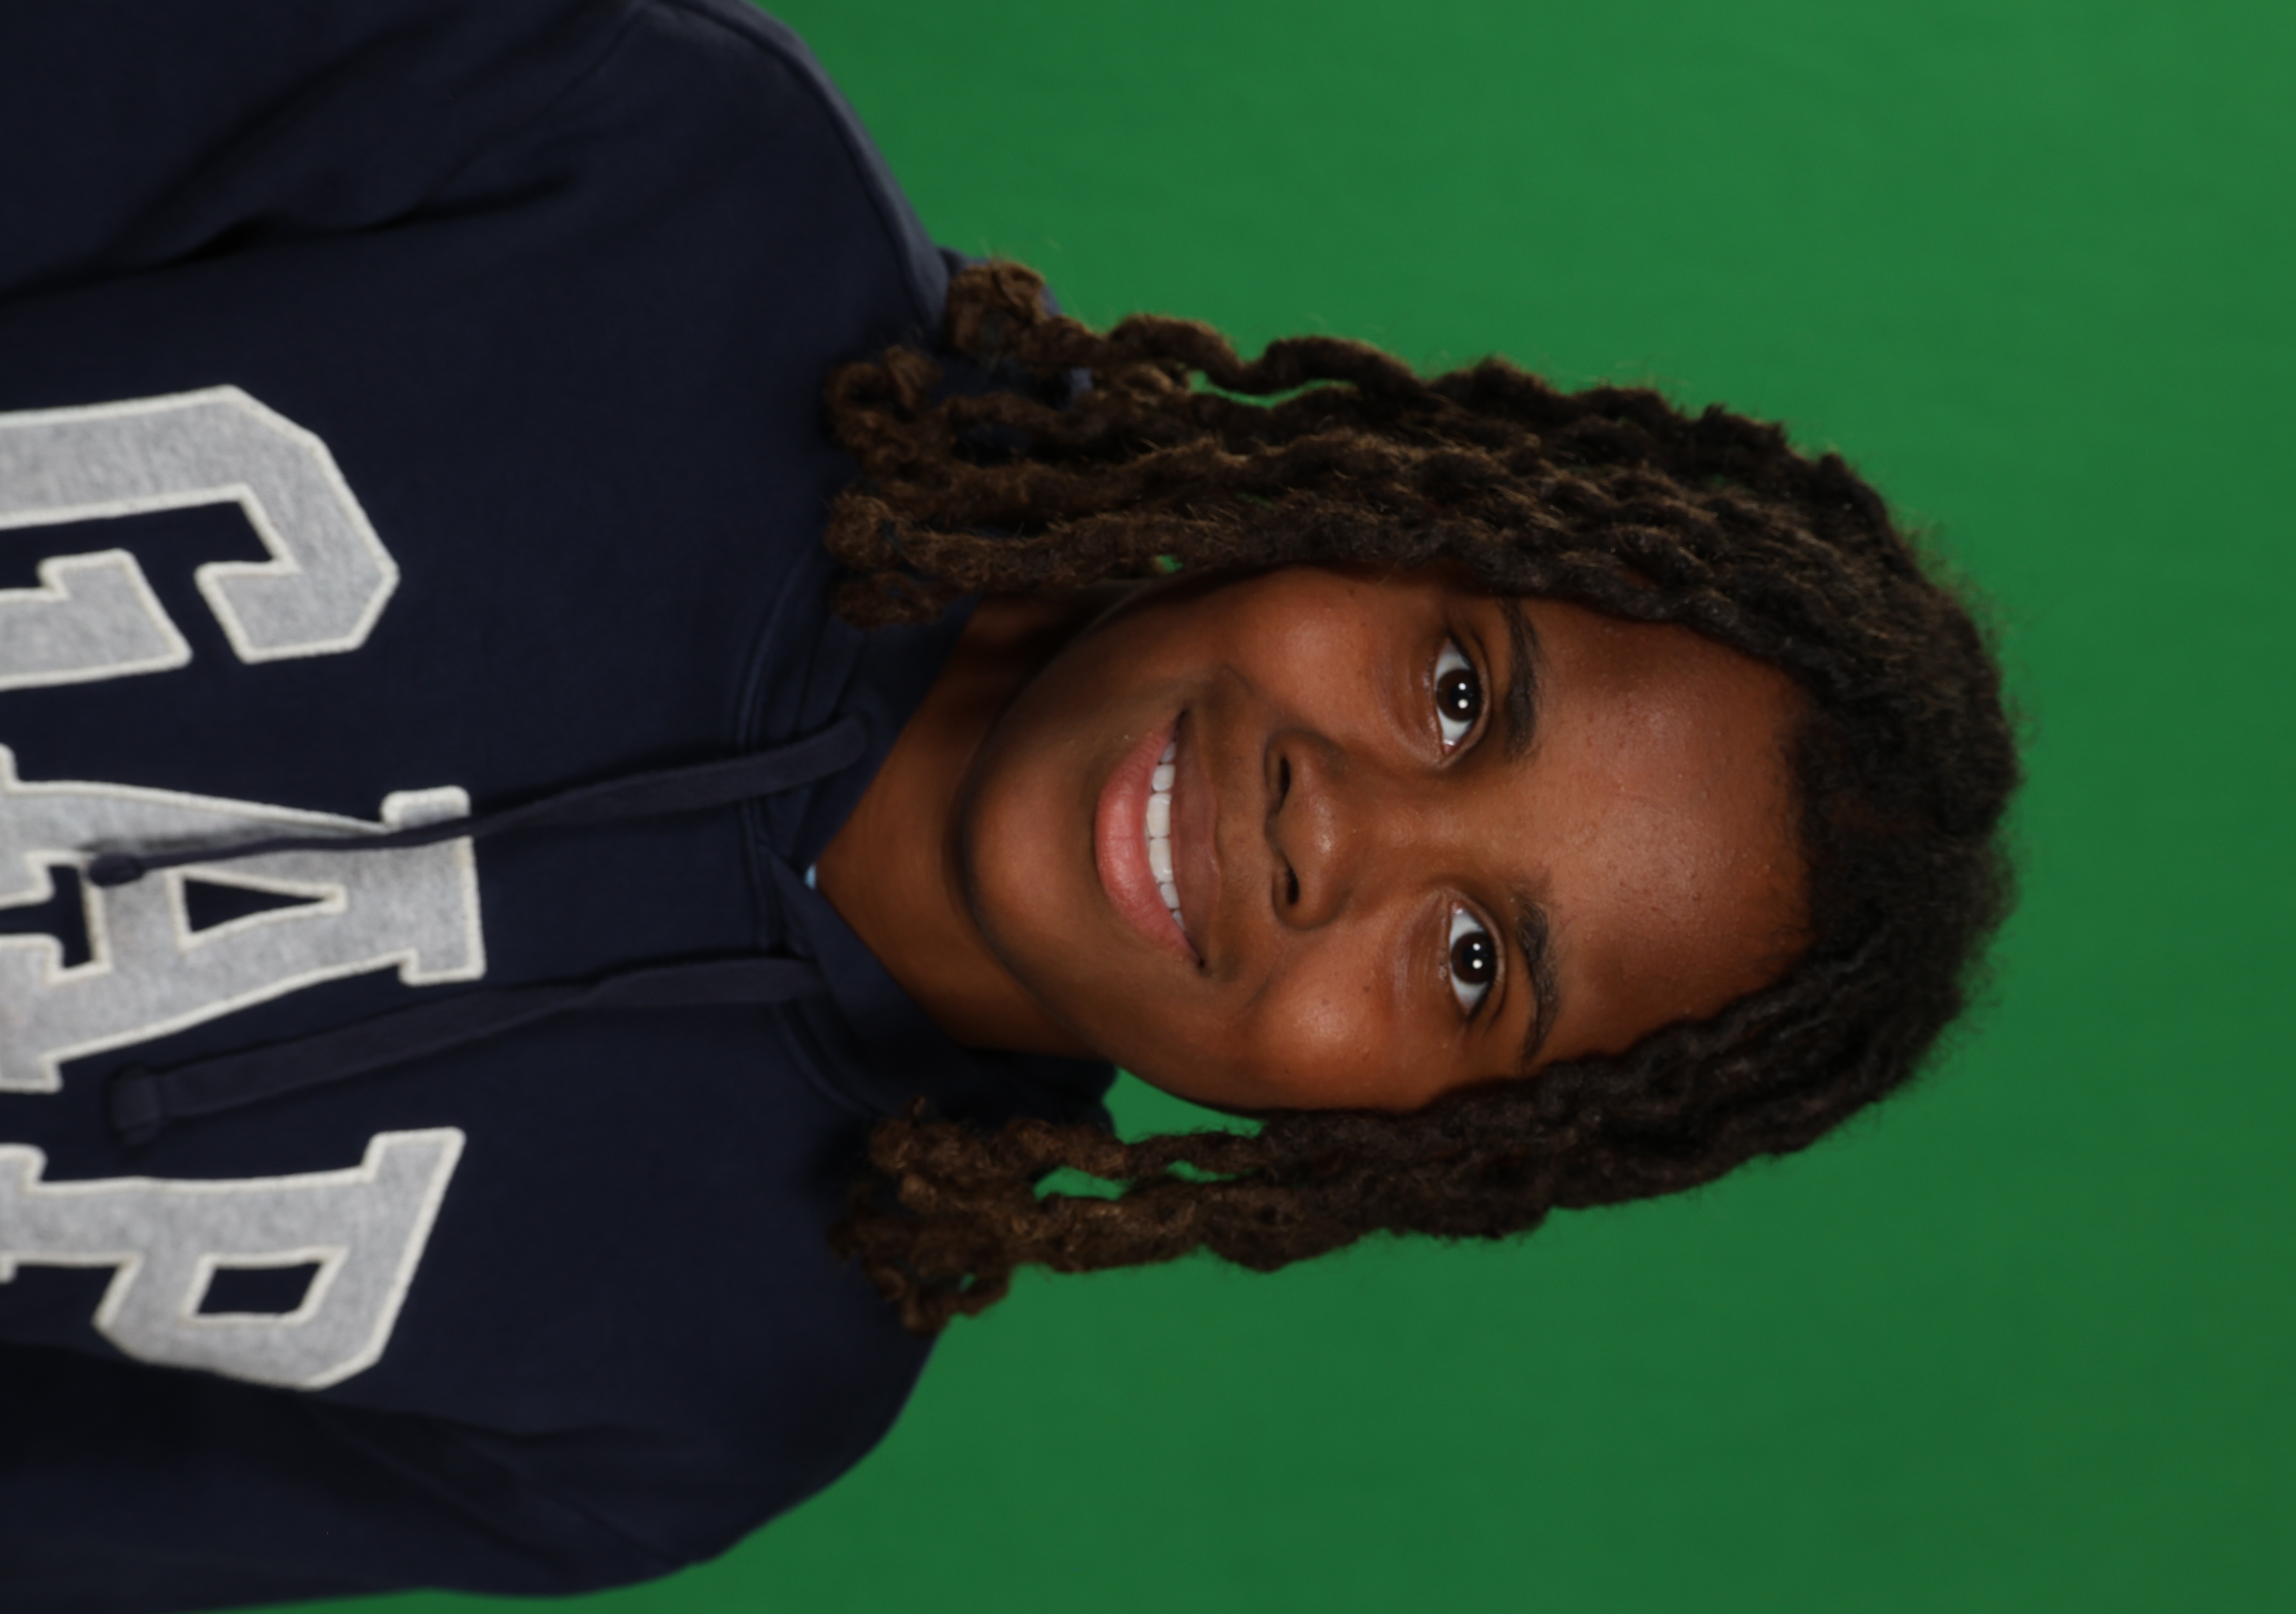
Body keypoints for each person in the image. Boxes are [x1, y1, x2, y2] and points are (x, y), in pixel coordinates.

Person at [0, 1, 2017, 1609]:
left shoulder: (707, 1396)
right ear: (1401, 512)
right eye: (1460, 694)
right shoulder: (658, 178)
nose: (1338, 836)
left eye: (1477, 962)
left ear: (1422, 1143)